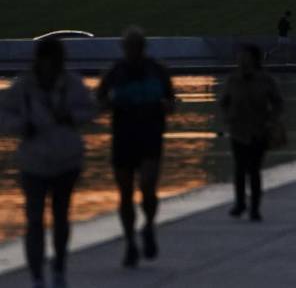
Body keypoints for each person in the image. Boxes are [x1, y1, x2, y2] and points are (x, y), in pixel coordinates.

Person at [0, 36, 95, 288]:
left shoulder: (72, 84)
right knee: (34, 219)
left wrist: (70, 116)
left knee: (61, 216)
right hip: (33, 161)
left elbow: (90, 110)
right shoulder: (23, 86)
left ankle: (59, 267)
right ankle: (38, 276)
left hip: (66, 159)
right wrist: (21, 126)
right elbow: (4, 115)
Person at [96, 27, 175, 269]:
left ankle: (148, 225)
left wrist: (165, 107)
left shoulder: (157, 70)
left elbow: (171, 100)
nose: (133, 51)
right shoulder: (115, 71)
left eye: (136, 46)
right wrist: (109, 104)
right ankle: (131, 241)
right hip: (124, 137)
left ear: (143, 47)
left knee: (148, 186)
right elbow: (99, 97)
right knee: (125, 193)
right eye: (129, 47)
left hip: (150, 136)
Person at [219, 44, 283, 221]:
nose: (242, 60)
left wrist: (272, 120)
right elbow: (223, 102)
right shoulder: (233, 80)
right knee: (239, 168)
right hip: (238, 130)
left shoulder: (265, 80)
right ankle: (240, 203)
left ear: (254, 59)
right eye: (240, 56)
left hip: (259, 130)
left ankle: (254, 207)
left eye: (245, 56)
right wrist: (227, 117)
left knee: (254, 169)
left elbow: (278, 102)